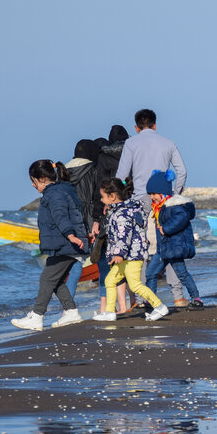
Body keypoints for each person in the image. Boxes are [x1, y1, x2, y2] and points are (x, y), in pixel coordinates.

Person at [116, 109, 190, 307]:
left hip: (140, 199)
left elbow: (121, 176)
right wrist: (174, 194)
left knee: (140, 248)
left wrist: (124, 200)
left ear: (136, 127)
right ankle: (177, 296)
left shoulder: (131, 143)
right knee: (169, 244)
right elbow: (182, 171)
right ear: (155, 125)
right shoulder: (168, 143)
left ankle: (141, 299)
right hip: (163, 199)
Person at [11, 160, 88, 331]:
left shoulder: (54, 194)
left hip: (67, 243)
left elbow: (61, 216)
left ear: (43, 178)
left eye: (34, 180)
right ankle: (71, 312)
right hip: (66, 243)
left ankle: (37, 316)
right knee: (56, 280)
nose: (32, 184)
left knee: (47, 279)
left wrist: (71, 235)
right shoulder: (61, 190)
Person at [91, 178, 169, 322]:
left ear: (112, 196)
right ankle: (109, 312)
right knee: (110, 280)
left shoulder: (122, 214)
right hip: (126, 256)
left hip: (131, 257)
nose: (102, 200)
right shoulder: (126, 210)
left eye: (103, 196)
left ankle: (159, 306)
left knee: (135, 285)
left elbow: (123, 235)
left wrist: (119, 253)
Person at [143, 170, 204, 309]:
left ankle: (197, 299)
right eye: (150, 194)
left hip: (174, 248)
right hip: (163, 249)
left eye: (154, 194)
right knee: (150, 273)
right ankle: (151, 301)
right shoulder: (159, 208)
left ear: (163, 192)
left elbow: (181, 218)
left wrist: (166, 229)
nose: (152, 197)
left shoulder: (174, 206)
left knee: (182, 274)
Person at [95, 125, 133, 312]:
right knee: (131, 254)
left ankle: (119, 306)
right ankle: (133, 300)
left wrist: (98, 212)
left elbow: (100, 185)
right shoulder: (131, 151)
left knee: (112, 256)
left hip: (110, 208)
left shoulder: (104, 157)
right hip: (131, 205)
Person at [65, 139, 100, 297]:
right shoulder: (92, 168)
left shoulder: (64, 170)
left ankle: (69, 299)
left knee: (74, 258)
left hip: (70, 216)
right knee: (92, 254)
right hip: (90, 214)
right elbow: (96, 194)